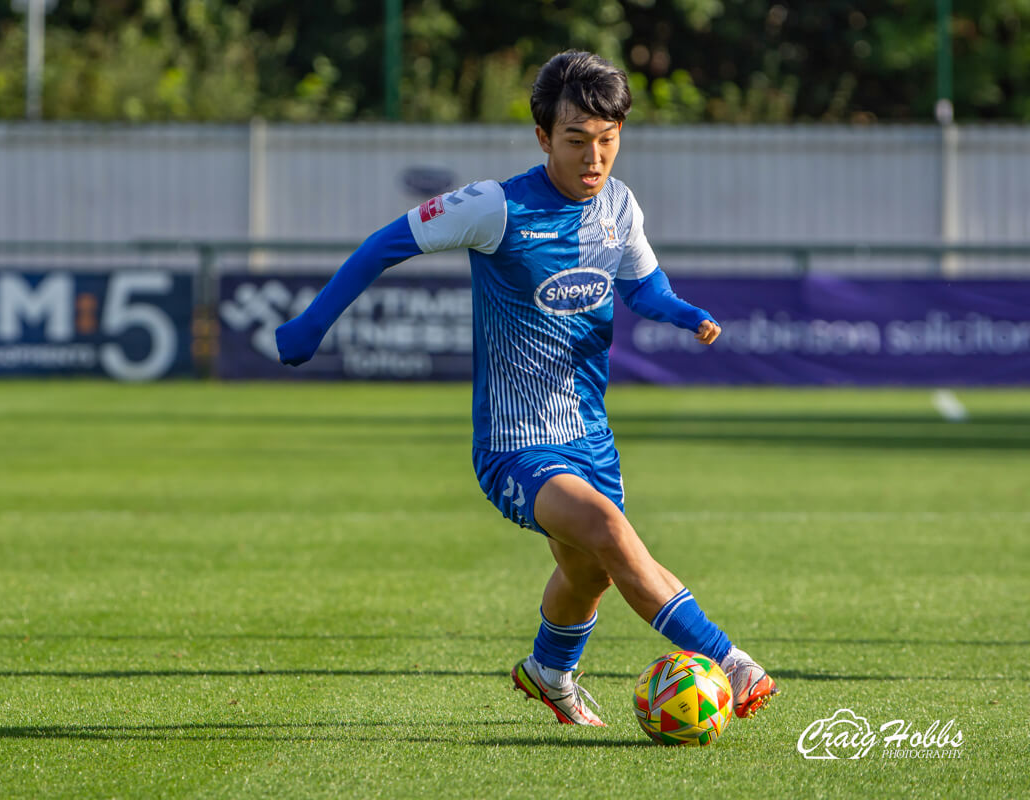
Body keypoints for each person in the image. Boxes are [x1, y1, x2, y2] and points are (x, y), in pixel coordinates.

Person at [275, 50, 777, 726]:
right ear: (543, 138)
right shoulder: (495, 206)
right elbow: (383, 246)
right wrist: (310, 326)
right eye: (576, 141)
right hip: (514, 448)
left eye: (608, 139)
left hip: (591, 439)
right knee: (607, 529)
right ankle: (730, 661)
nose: (594, 158)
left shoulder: (620, 207)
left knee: (590, 573)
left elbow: (644, 288)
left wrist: (684, 313)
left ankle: (548, 670)